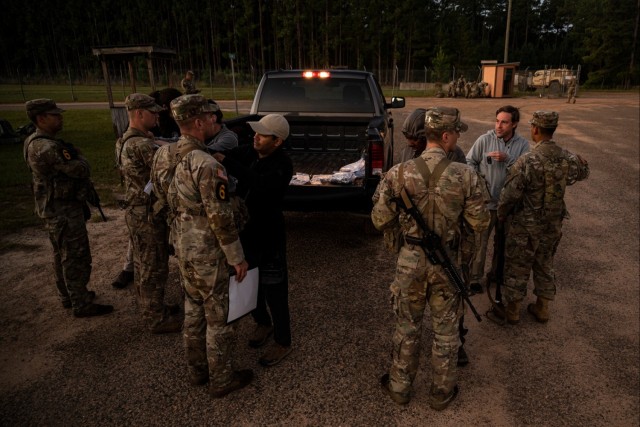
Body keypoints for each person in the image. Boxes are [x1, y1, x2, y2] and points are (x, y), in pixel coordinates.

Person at [372, 107, 490, 410]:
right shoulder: (466, 175)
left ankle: (400, 387)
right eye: (457, 133)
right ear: (447, 136)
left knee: (407, 326)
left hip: (410, 261)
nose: (458, 138)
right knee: (446, 330)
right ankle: (441, 392)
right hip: (446, 262)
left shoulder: (398, 173)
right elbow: (479, 224)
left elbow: (379, 220)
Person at [166, 94, 252, 397]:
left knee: (193, 310)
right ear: (199, 121)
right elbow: (220, 215)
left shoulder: (167, 154)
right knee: (219, 318)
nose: (214, 122)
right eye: (210, 118)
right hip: (207, 250)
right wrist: (236, 256)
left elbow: (164, 200)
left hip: (183, 244)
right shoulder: (205, 163)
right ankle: (222, 378)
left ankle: (197, 371)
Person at [398, 108, 479, 367]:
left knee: (454, 296)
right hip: (417, 243)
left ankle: (457, 342)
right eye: (408, 140)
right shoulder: (407, 155)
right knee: (411, 305)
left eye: (414, 139)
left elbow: (465, 203)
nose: (410, 145)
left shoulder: (455, 156)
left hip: (447, 243)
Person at [214, 114, 294, 367]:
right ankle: (262, 323)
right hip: (247, 232)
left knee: (275, 287)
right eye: (255, 133)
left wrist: (227, 161)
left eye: (262, 134)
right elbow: (222, 153)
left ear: (277, 141)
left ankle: (283, 341)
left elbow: (259, 184)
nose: (255, 137)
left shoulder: (282, 165)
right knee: (248, 281)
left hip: (269, 233)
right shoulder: (251, 151)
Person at [23, 98, 113, 317]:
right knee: (75, 255)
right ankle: (80, 303)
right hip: (63, 210)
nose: (60, 118)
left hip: (55, 208)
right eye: (55, 115)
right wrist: (80, 157)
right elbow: (81, 170)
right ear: (41, 118)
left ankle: (70, 295)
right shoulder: (46, 147)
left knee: (61, 253)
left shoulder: (34, 141)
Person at [498, 111, 589, 324]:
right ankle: (542, 308)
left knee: (518, 265)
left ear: (536, 129)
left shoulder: (527, 161)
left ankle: (512, 311)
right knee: (545, 262)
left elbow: (509, 195)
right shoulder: (567, 158)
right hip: (552, 224)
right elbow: (583, 171)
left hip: (525, 226)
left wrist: (501, 215)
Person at [117, 93, 181, 334]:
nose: (157, 116)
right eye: (152, 112)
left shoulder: (127, 140)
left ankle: (154, 307)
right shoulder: (141, 145)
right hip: (147, 213)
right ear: (139, 114)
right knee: (152, 266)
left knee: (144, 263)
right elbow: (169, 166)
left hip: (138, 210)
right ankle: (156, 318)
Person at [465, 105, 529, 294]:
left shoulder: (523, 145)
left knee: (504, 243)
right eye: (497, 121)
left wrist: (509, 159)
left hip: (510, 206)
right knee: (480, 243)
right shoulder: (484, 140)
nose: (498, 126)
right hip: (487, 205)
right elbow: (469, 162)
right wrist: (479, 182)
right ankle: (475, 279)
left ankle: (496, 275)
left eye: (504, 122)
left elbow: (526, 172)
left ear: (514, 124)